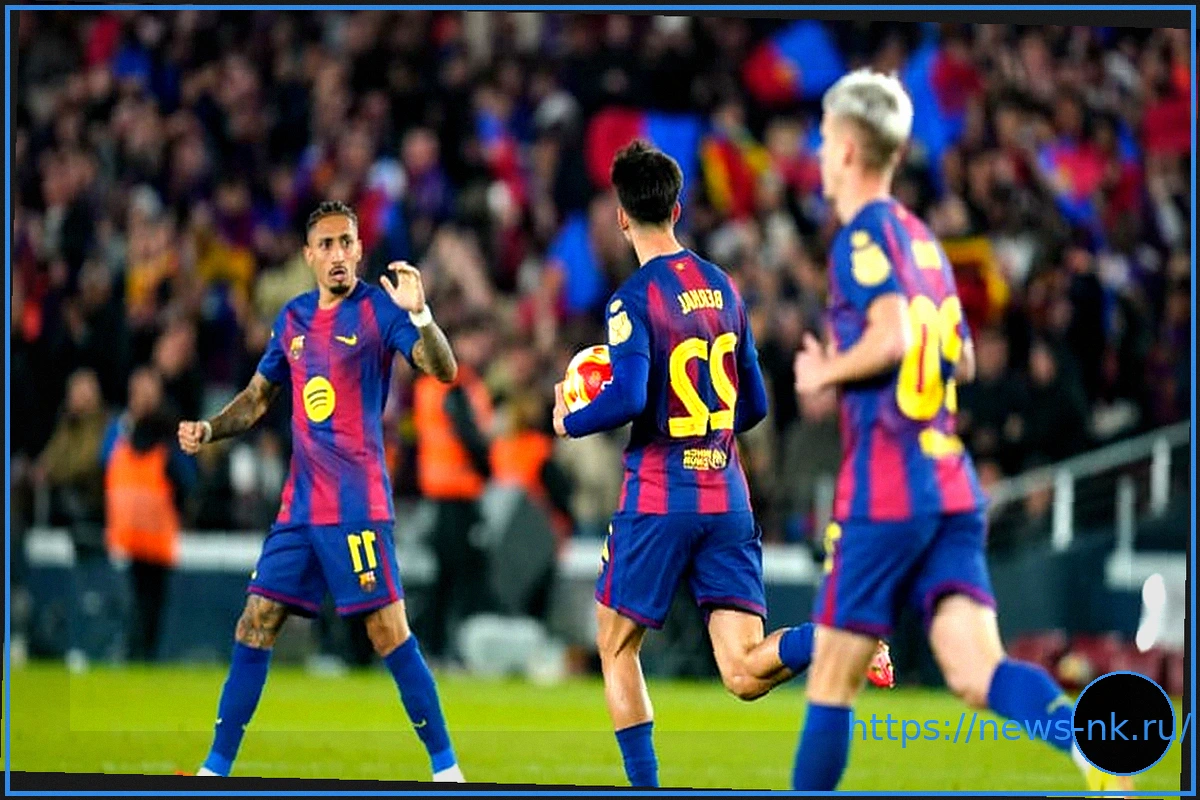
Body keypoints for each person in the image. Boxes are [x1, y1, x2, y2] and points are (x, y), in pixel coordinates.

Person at [788, 69, 1127, 793]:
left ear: (846, 149)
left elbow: (895, 335)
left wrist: (826, 372)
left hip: (888, 484)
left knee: (831, 682)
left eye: (823, 138)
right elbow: (962, 358)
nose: (817, 152)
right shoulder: (925, 243)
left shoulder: (860, 238)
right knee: (978, 671)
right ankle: (1091, 747)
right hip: (949, 479)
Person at [551, 141, 892, 789]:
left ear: (621, 216)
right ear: (677, 209)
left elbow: (627, 396)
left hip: (660, 495)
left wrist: (572, 420)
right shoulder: (722, 287)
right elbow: (755, 405)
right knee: (741, 671)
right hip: (726, 494)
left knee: (616, 646)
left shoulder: (632, 299)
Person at [177, 200, 466, 782]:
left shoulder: (380, 311)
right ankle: (214, 771)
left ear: (359, 250)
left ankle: (447, 771)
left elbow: (444, 369)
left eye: (346, 242)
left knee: (387, 631)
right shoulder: (293, 319)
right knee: (255, 620)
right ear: (308, 255)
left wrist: (421, 315)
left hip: (357, 505)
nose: (338, 254)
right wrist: (210, 429)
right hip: (300, 509)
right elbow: (257, 398)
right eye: (326, 244)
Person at [412, 314, 497, 661]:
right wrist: (487, 467)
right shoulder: (455, 386)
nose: (480, 349)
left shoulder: (433, 385)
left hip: (444, 491)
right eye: (473, 341)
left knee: (446, 575)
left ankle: (435, 644)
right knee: (459, 576)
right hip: (455, 492)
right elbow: (470, 437)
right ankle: (443, 646)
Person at [102, 365, 196, 661]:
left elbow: (187, 477)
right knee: (134, 603)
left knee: (150, 603)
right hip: (126, 537)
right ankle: (134, 652)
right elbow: (103, 461)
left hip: (153, 537)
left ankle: (142, 653)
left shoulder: (169, 434)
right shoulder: (121, 430)